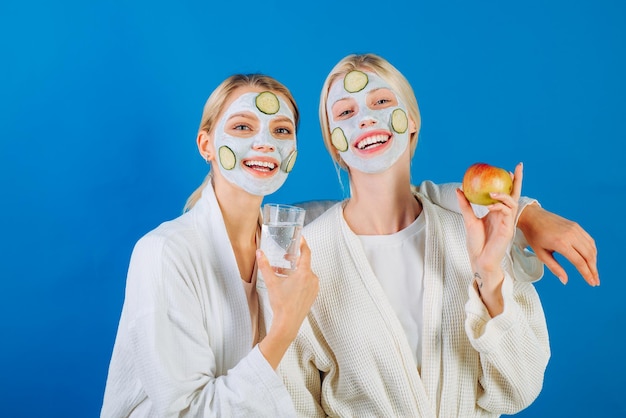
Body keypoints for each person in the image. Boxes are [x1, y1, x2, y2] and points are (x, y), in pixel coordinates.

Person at [274, 53, 558, 417]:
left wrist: (489, 274)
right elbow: (294, 402)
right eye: (345, 112)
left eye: (380, 102)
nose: (365, 117)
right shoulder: (306, 258)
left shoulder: (473, 233)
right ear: (334, 141)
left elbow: (522, 387)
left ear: (410, 121)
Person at [100, 74, 320, 417]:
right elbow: (188, 412)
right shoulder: (163, 253)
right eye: (243, 127)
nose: (265, 142)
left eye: (281, 130)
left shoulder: (289, 244)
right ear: (206, 145)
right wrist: (284, 328)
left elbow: (372, 208)